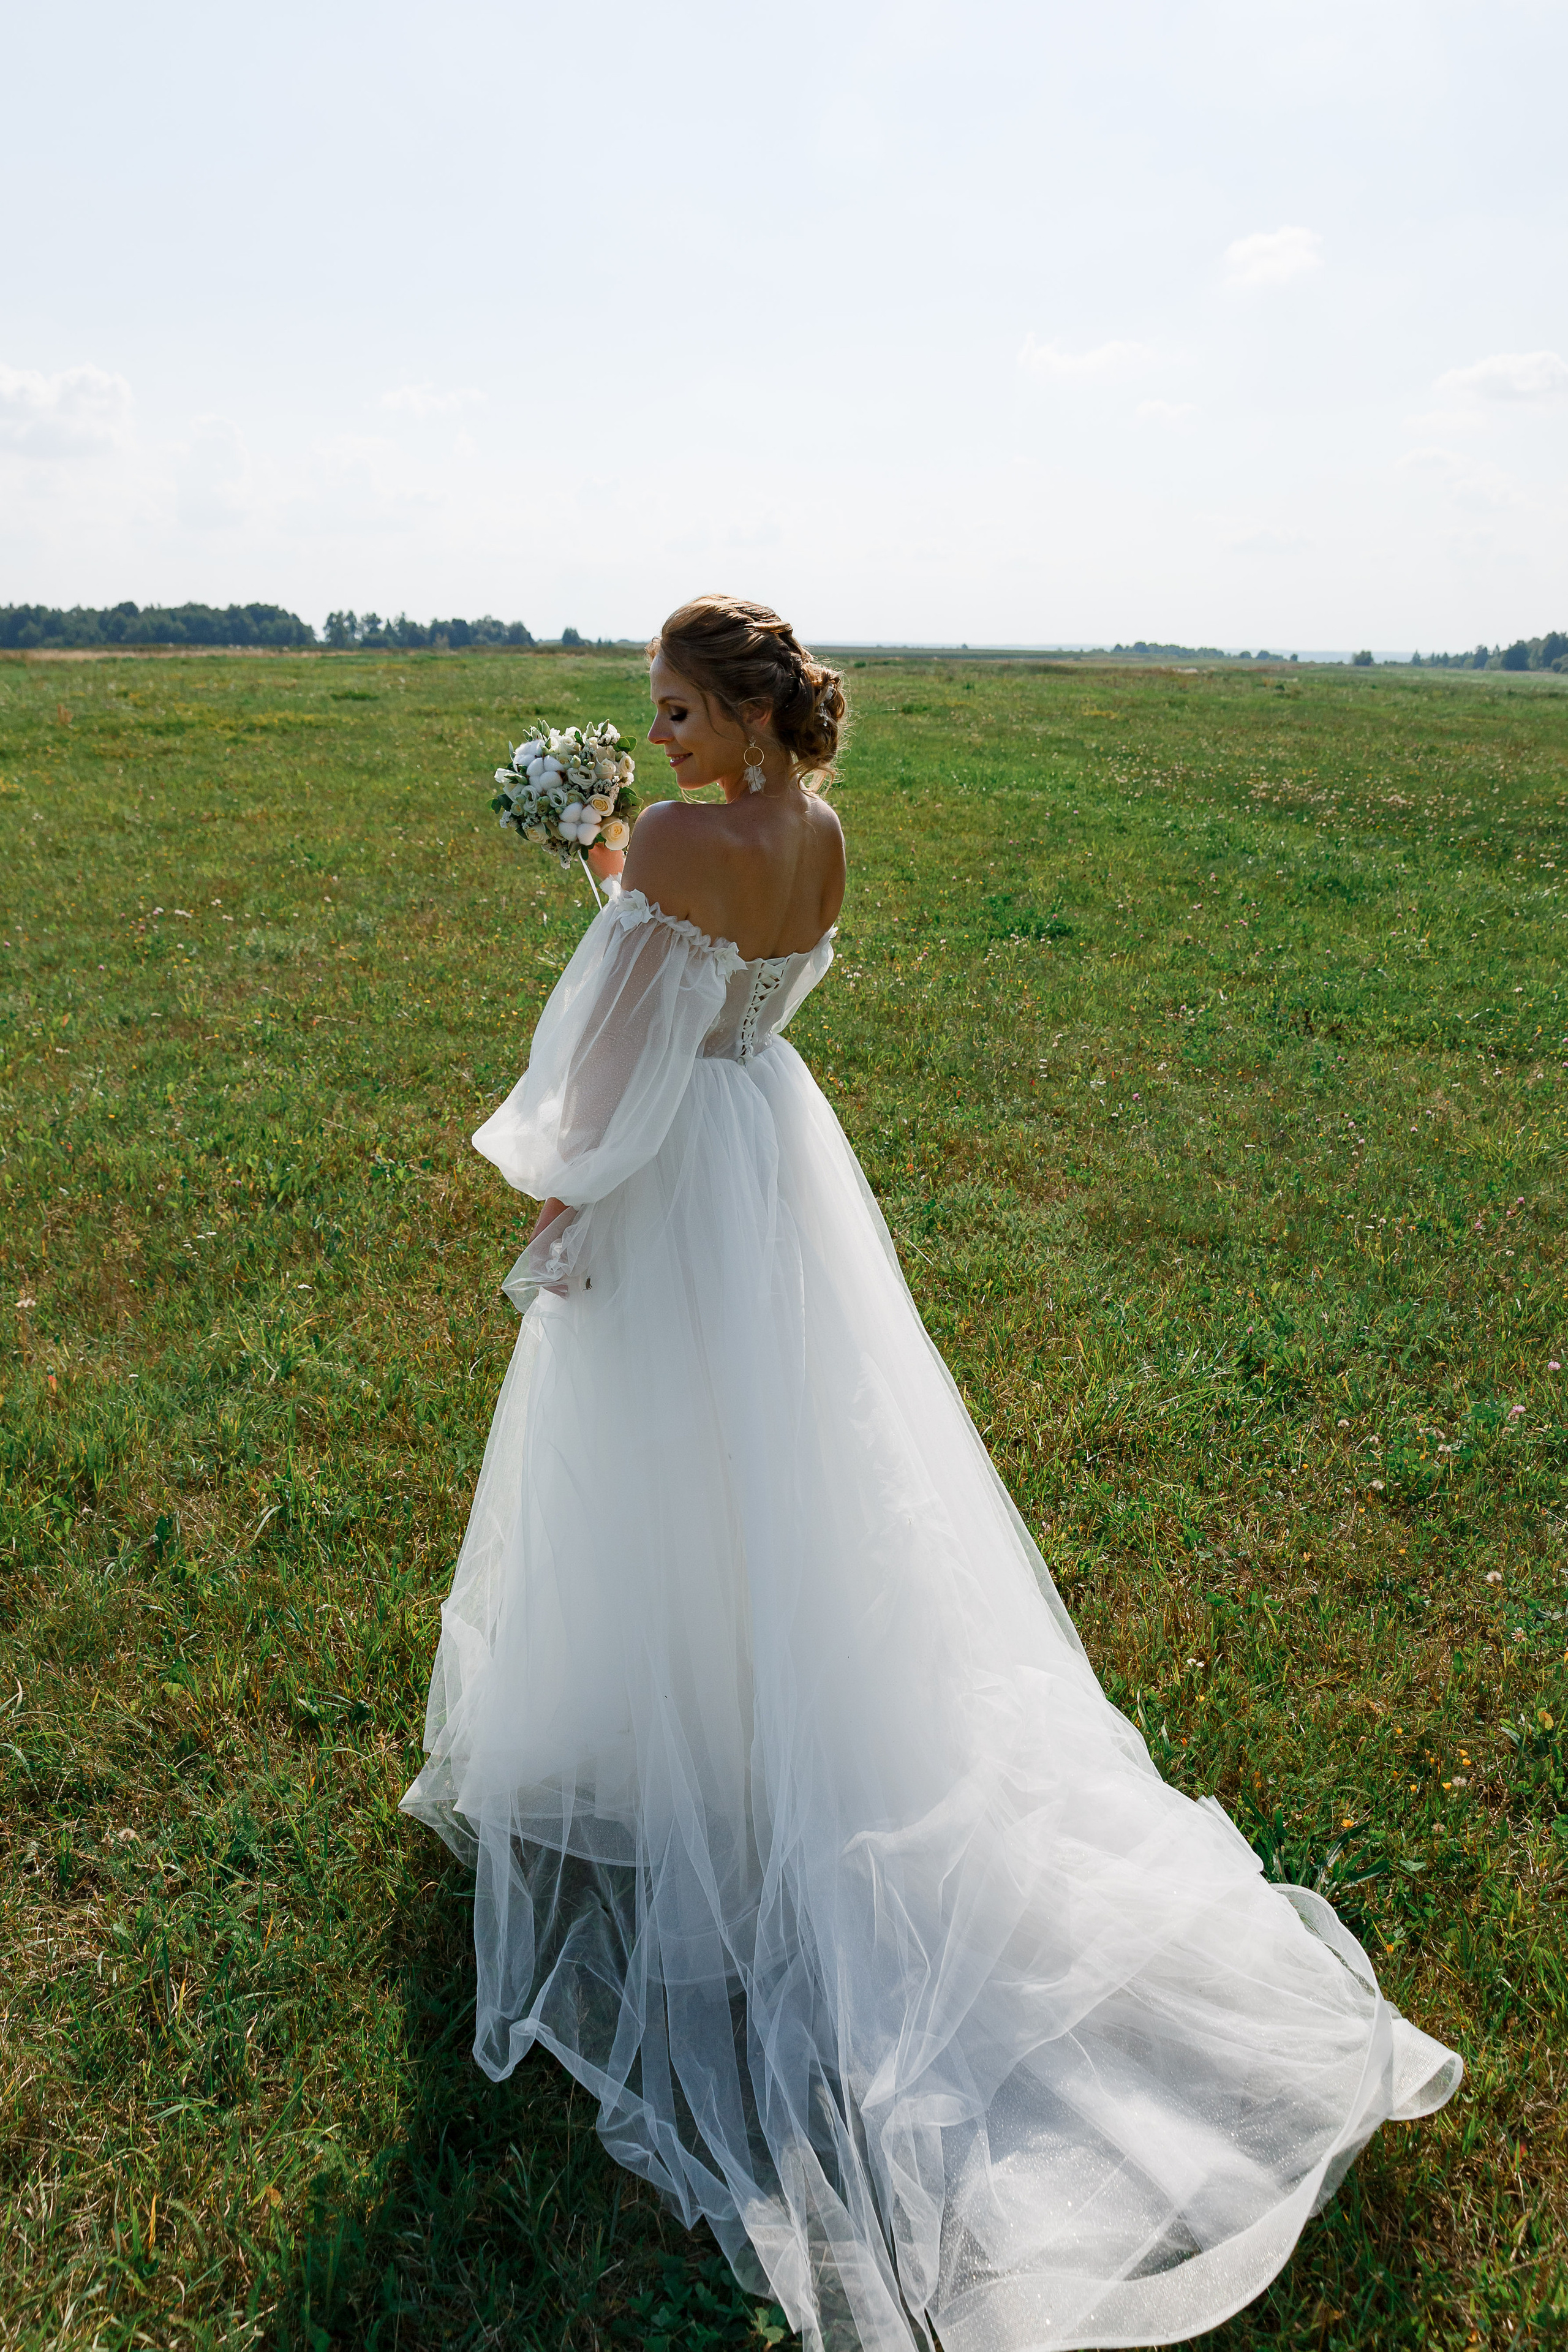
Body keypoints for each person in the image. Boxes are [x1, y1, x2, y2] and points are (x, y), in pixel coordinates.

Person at [402, 594, 1460, 2352]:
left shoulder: (676, 840)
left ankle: (693, 1739)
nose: (655, 736)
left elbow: (622, 1040)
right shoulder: (814, 832)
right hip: (775, 1146)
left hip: (678, 1168)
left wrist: (563, 1190)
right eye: (652, 714)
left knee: (665, 1457)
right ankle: (770, 1721)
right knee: (798, 1456)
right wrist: (617, 862)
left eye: (678, 712)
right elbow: (717, 972)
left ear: (746, 714)